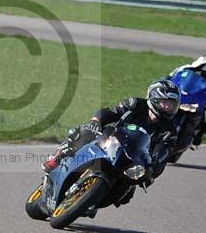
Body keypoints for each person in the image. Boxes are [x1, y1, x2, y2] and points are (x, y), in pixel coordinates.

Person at [41, 79, 180, 194]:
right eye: (165, 103)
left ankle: (92, 200)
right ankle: (57, 158)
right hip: (110, 139)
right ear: (154, 97)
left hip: (131, 160)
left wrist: (151, 171)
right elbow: (111, 112)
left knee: (126, 193)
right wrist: (96, 121)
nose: (168, 107)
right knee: (83, 132)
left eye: (172, 105)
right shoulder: (136, 104)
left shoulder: (170, 131)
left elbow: (162, 155)